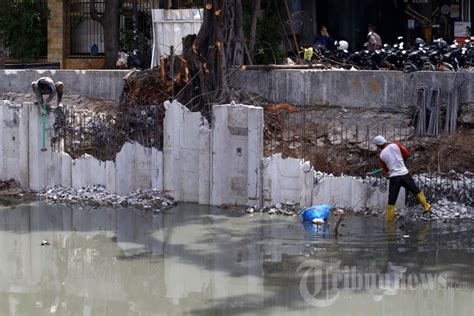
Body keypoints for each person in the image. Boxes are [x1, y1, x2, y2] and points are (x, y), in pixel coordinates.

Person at [373, 135, 431, 221]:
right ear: (385, 141)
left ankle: (390, 220)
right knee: (415, 190)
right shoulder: (396, 144)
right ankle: (426, 206)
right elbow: (407, 155)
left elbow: (386, 169)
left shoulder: (381, 156)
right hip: (404, 174)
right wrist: (401, 159)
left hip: (394, 178)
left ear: (378, 146)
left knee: (392, 199)